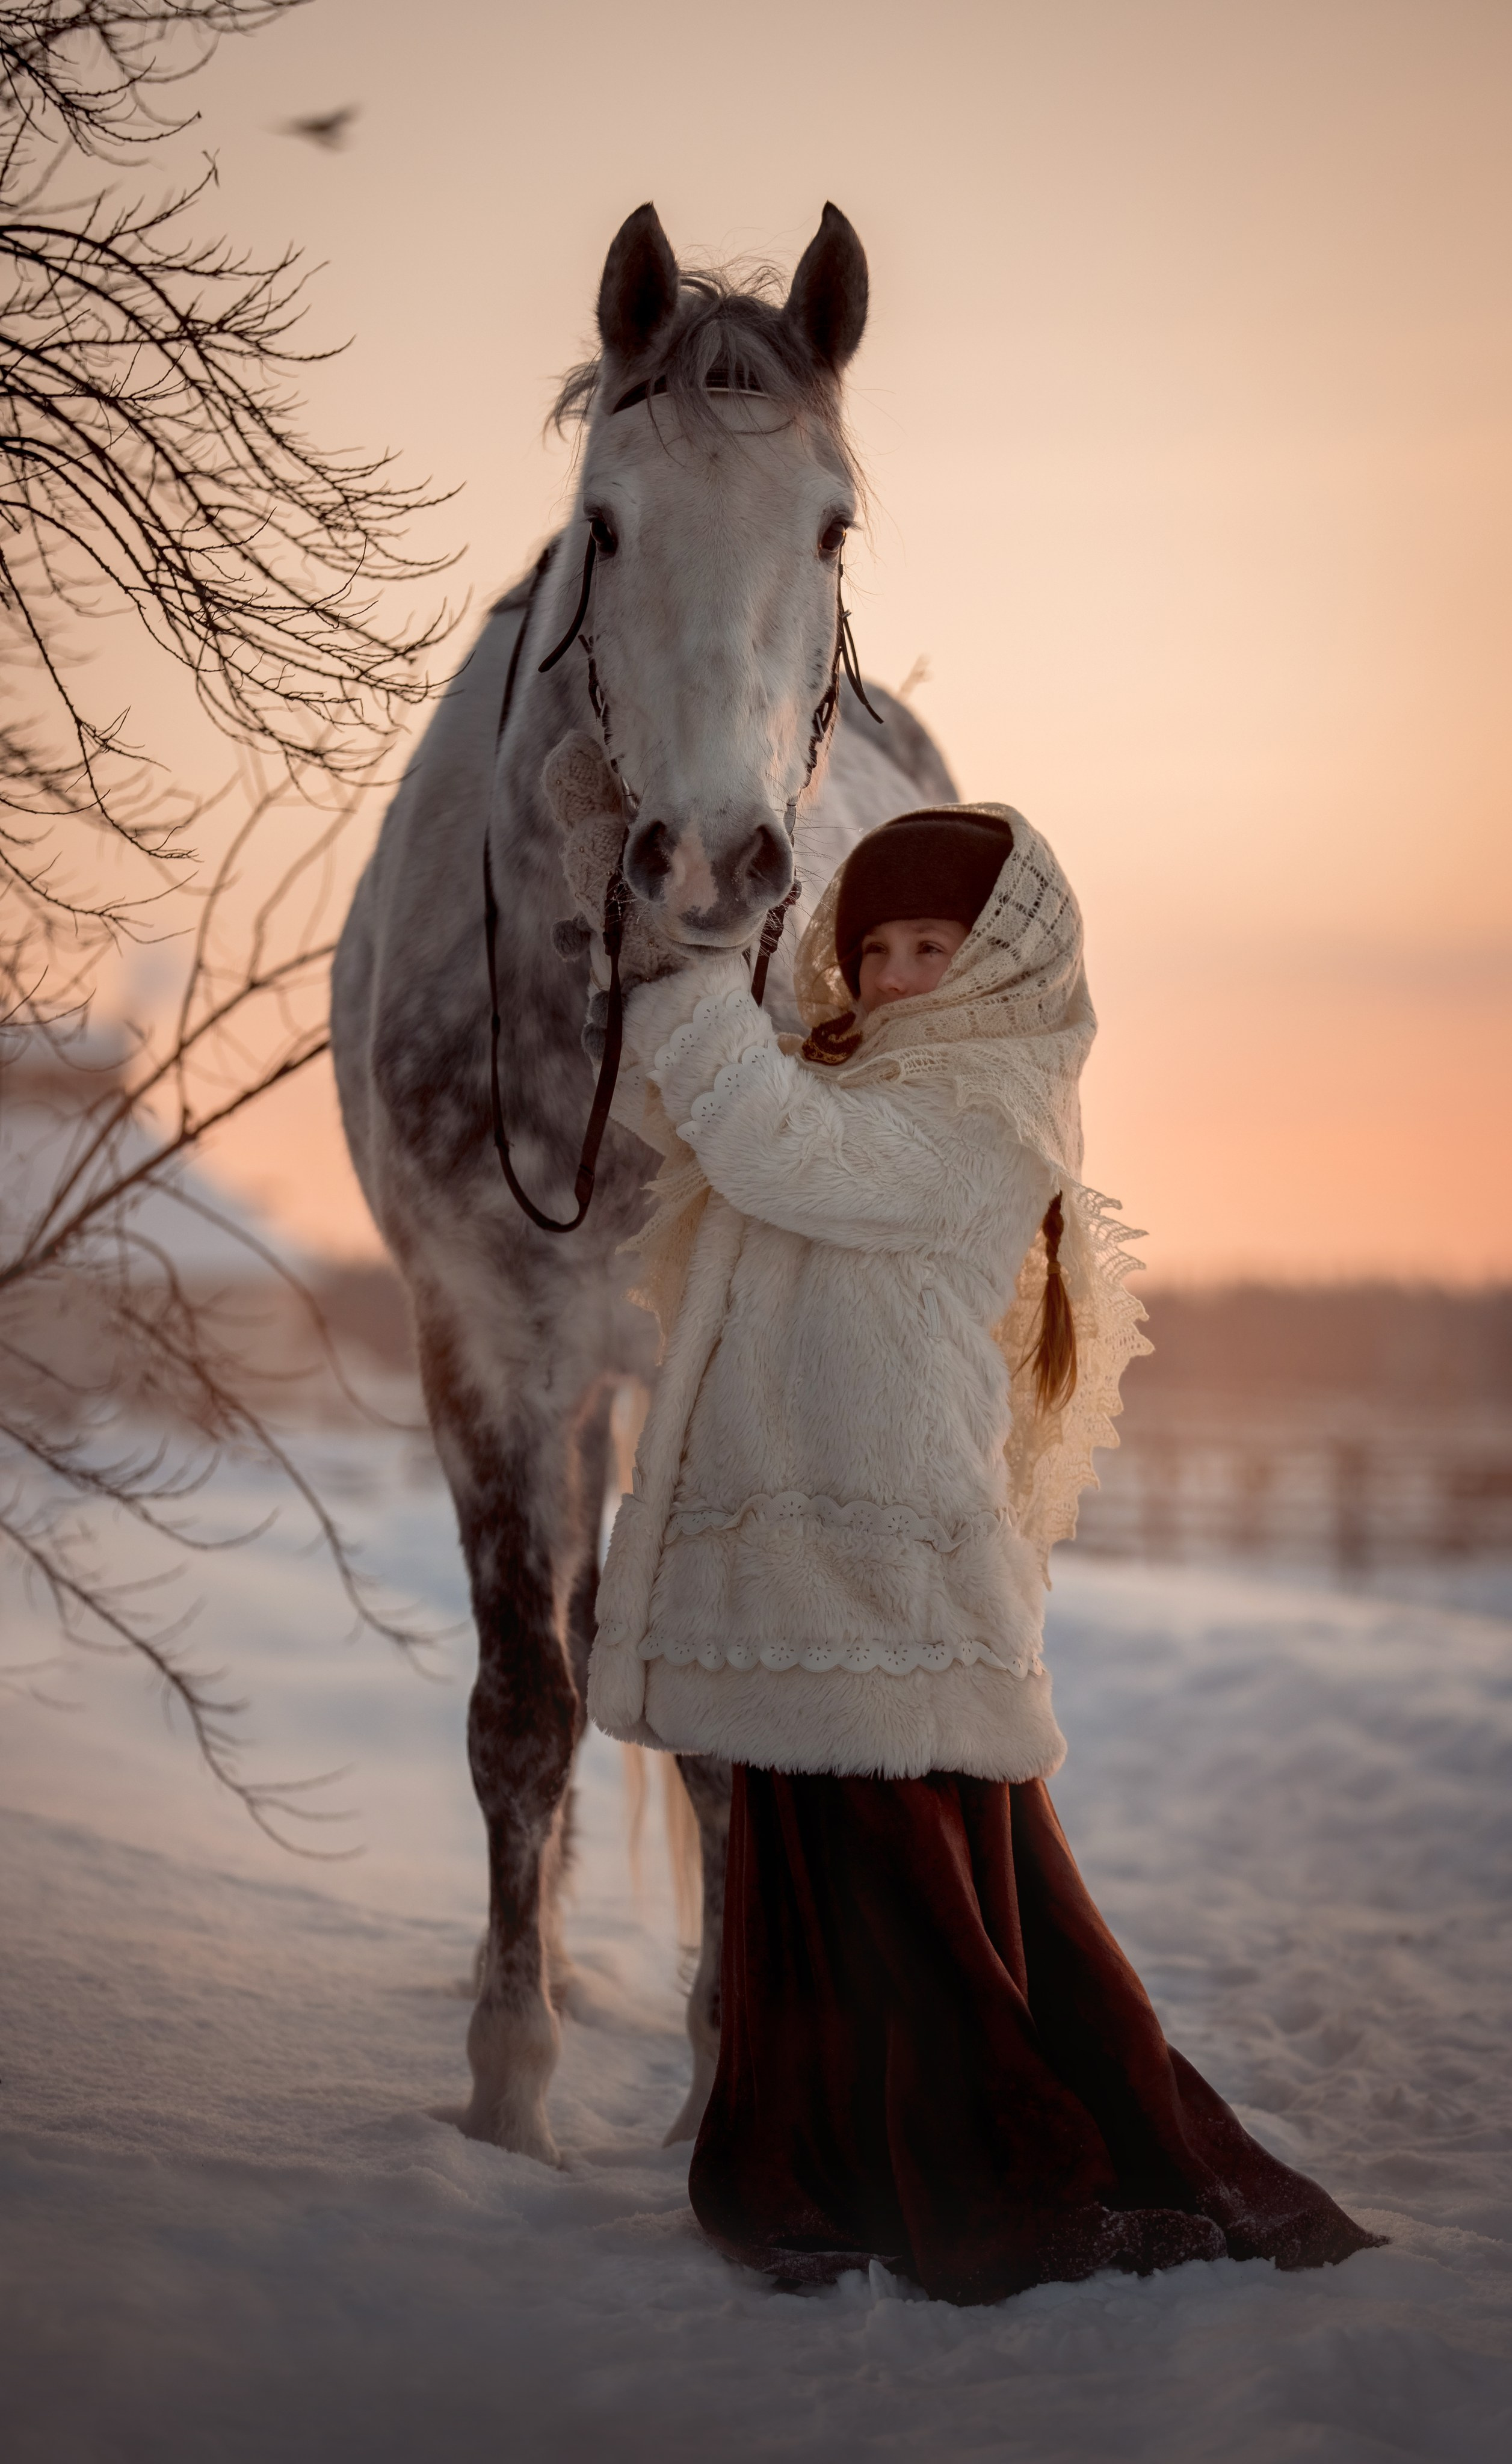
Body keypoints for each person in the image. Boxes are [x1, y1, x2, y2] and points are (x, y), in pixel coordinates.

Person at [582, 798, 1381, 2305]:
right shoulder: (861, 1078)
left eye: (930, 946)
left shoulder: (982, 1113)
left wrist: (694, 998)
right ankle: (838, 2160)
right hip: (810, 1564)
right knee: (859, 1890)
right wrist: (652, 960)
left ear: (1004, 959)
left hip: (879, 1563)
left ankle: (1014, 2169)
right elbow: (714, 1116)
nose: (889, 975)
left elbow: (777, 1148)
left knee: (907, 1904)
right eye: (871, 948)